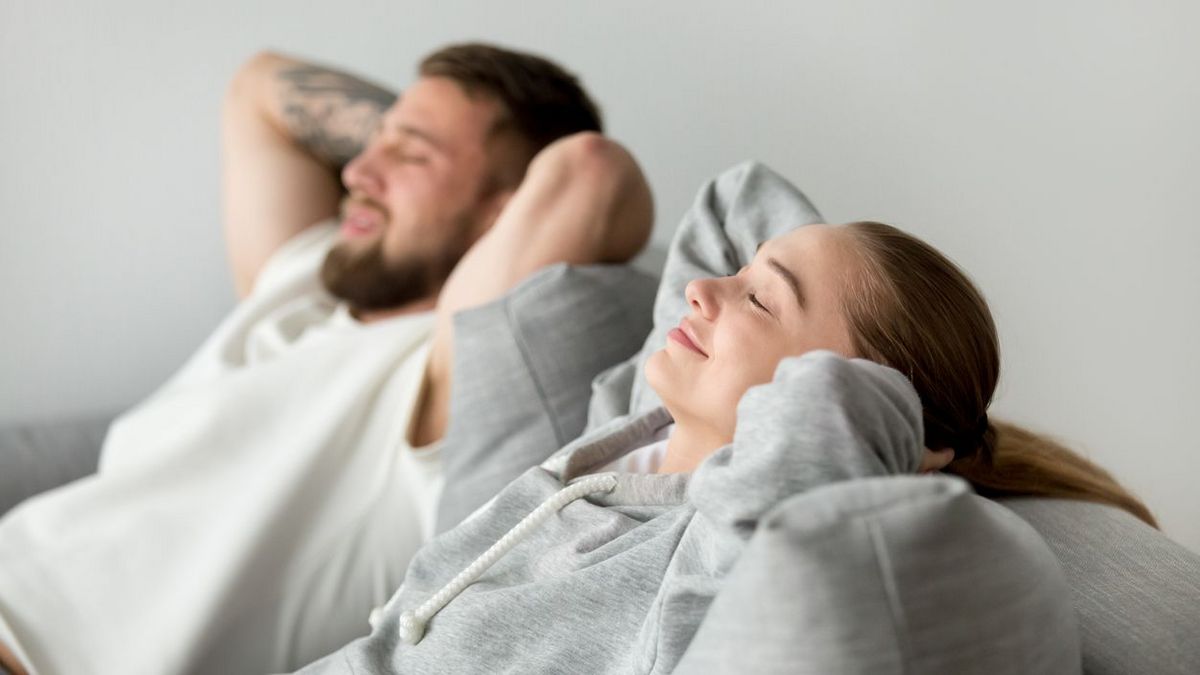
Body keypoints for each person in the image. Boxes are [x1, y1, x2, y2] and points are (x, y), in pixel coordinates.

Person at [292, 161, 1155, 674]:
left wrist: (898, 413)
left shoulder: (718, 553)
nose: (703, 289)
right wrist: (801, 280)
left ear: (860, 400)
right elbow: (735, 196)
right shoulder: (630, 435)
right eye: (741, 272)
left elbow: (826, 428)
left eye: (760, 300)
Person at [0, 44, 654, 675]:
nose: (356, 171)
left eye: (410, 155)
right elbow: (256, 88)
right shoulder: (304, 280)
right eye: (374, 140)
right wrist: (417, 143)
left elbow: (592, 171)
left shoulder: (438, 370)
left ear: (502, 212)